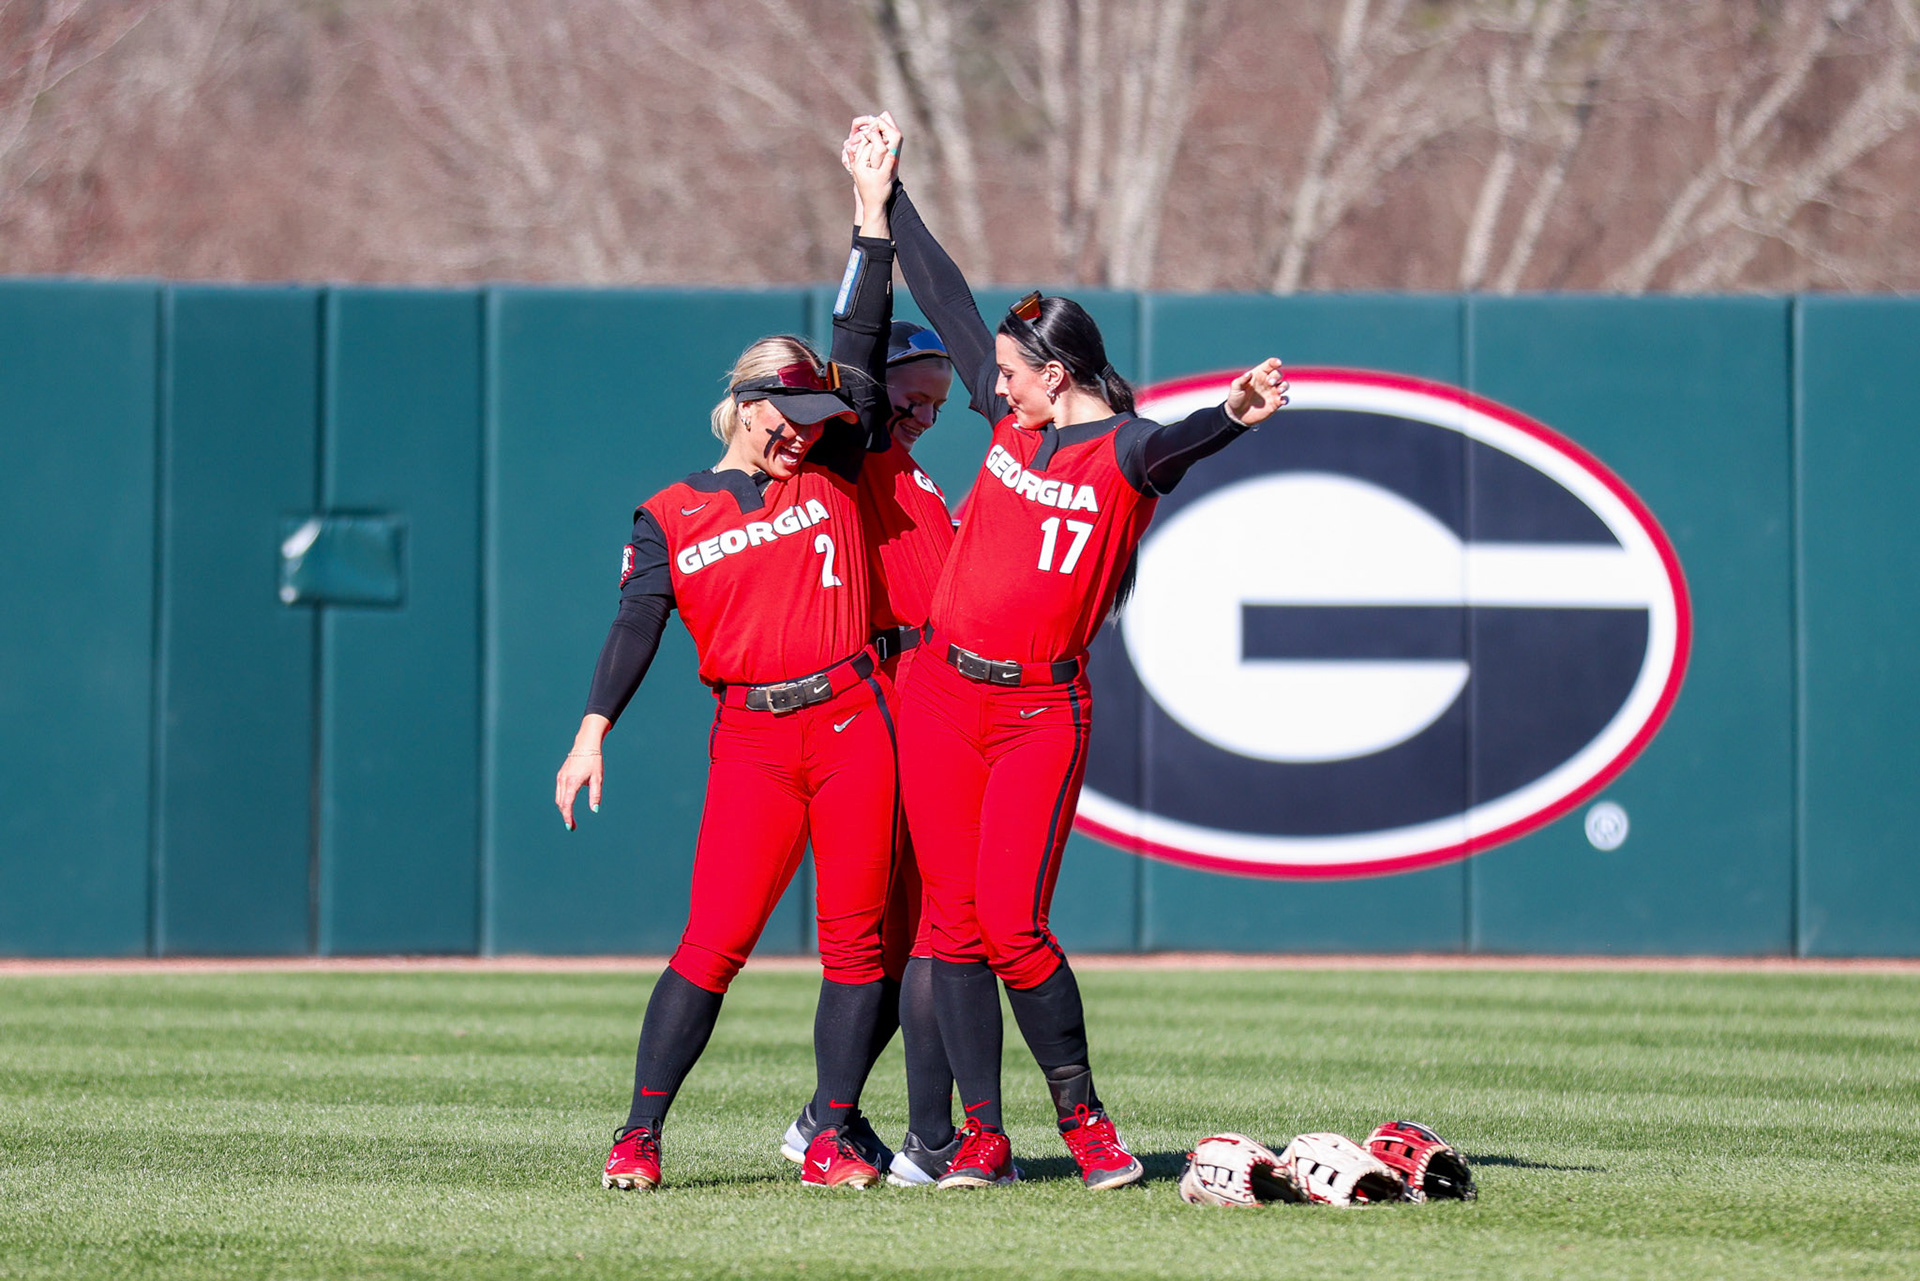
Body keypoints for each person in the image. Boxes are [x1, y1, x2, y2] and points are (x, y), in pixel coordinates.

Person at [850, 113, 1291, 1191]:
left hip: (1039, 714)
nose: (993, 388)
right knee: (950, 925)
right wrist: (886, 194)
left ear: (1059, 374)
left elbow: (1178, 440)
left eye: (1010, 374)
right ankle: (983, 1136)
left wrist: (1234, 413)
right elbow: (951, 298)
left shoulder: (1120, 452)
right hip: (944, 698)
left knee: (1012, 923)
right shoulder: (1016, 429)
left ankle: (1084, 1118)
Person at [556, 328, 905, 1193]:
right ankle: (638, 1133)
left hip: (854, 721)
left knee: (856, 947)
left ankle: (829, 1133)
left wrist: (870, 227)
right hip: (753, 739)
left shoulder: (834, 471)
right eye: (786, 418)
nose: (802, 433)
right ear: (748, 410)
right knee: (711, 943)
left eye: (813, 419)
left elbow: (859, 351)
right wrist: (592, 727)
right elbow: (639, 619)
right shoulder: (671, 510)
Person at [778, 127, 965, 1188]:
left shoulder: (916, 470)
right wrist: (870, 216)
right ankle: (913, 1139)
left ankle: (826, 1119)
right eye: (914, 393)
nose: (925, 413)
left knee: (909, 950)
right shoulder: (853, 452)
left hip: (935, 704)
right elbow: (860, 332)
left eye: (938, 399)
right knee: (916, 942)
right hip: (889, 706)